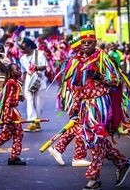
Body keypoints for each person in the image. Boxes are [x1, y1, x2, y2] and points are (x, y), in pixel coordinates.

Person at [73, 24, 130, 190]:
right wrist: (76, 108)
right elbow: (77, 86)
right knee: (91, 141)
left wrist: (99, 76)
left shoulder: (103, 58)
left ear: (95, 42)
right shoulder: (77, 61)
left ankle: (94, 178)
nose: (86, 45)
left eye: (90, 42)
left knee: (97, 139)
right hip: (85, 105)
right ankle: (122, 163)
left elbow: (116, 81)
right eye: (84, 42)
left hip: (100, 104)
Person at [48, 34, 91, 167]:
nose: (88, 48)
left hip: (80, 100)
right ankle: (78, 157)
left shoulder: (80, 60)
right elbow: (77, 85)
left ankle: (59, 149)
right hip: (77, 100)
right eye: (85, 45)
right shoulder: (77, 62)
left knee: (77, 127)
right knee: (80, 127)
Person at [20, 38, 48, 132]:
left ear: (29, 46)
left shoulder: (39, 54)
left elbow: (44, 66)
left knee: (39, 103)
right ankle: (32, 122)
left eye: (24, 48)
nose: (22, 50)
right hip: (29, 78)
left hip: (39, 78)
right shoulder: (22, 58)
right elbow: (23, 72)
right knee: (30, 101)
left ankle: (37, 122)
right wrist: (23, 84)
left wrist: (37, 68)